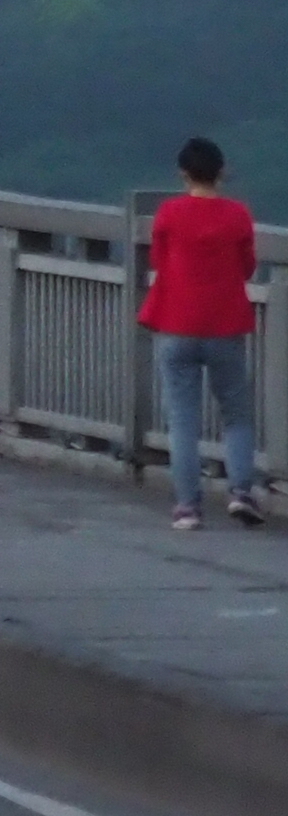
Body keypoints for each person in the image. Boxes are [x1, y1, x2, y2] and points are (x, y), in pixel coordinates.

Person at [143, 135, 263, 530]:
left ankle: (187, 507)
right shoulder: (237, 216)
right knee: (236, 415)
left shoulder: (169, 213)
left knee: (182, 420)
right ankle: (241, 492)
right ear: (221, 173)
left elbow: (159, 259)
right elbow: (247, 267)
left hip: (176, 325)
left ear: (183, 174)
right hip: (225, 326)